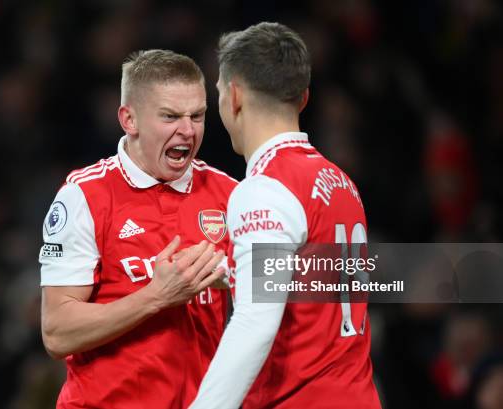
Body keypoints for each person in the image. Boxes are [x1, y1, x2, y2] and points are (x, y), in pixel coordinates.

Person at [190, 22, 381, 408]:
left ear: (235, 96)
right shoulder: (340, 181)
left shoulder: (264, 189)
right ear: (304, 97)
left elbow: (255, 321)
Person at [39, 49, 237, 408]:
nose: (188, 131)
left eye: (197, 115)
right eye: (170, 116)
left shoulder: (230, 195)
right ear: (129, 119)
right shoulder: (84, 196)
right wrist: (156, 297)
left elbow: (292, 279)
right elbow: (56, 332)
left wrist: (364, 269)